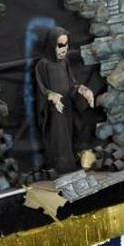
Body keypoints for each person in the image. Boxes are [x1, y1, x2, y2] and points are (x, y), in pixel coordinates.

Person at [35, 27, 96, 174]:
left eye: (66, 44)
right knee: (59, 139)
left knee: (71, 136)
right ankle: (61, 169)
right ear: (51, 45)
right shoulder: (43, 65)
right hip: (55, 110)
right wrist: (51, 96)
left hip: (68, 107)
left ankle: (74, 165)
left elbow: (71, 85)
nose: (64, 48)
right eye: (60, 45)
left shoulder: (65, 63)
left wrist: (82, 90)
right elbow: (40, 89)